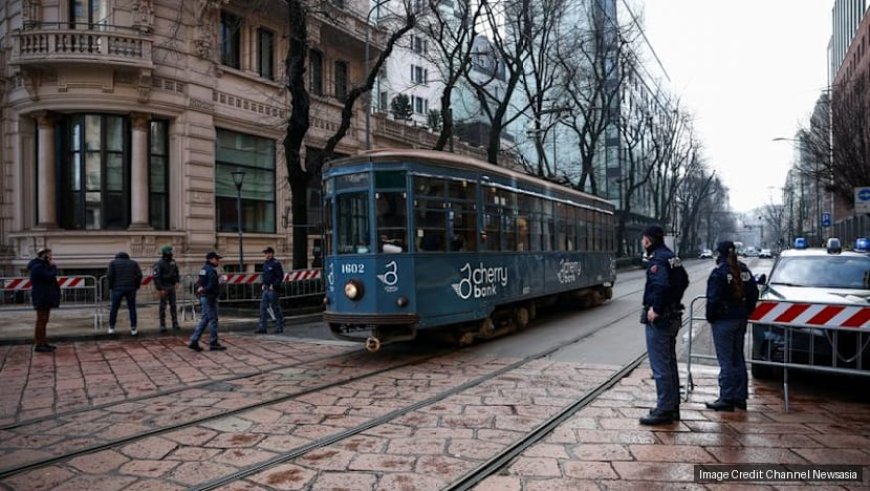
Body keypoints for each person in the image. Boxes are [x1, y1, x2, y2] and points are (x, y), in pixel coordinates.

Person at [639, 224, 689, 425]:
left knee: (660, 365)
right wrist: (674, 300)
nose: (642, 242)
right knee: (669, 362)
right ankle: (672, 405)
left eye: (643, 239)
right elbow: (683, 280)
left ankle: (664, 409)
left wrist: (657, 308)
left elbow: (661, 285)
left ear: (648, 240)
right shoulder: (671, 256)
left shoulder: (658, 259)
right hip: (672, 314)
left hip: (661, 318)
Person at [705, 240, 759, 412]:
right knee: (738, 358)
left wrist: (711, 317)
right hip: (740, 318)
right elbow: (754, 292)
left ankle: (726, 398)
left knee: (726, 360)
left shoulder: (719, 272)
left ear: (719, 254)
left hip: (724, 320)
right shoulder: (743, 269)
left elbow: (713, 299)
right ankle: (740, 397)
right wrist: (746, 310)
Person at [189, 251, 226, 351]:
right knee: (213, 320)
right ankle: (213, 342)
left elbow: (200, 282)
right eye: (216, 259)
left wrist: (202, 289)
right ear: (211, 259)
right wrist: (219, 282)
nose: (218, 261)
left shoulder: (203, 269)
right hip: (210, 298)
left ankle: (194, 340)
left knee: (204, 319)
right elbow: (211, 285)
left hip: (205, 297)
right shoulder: (211, 270)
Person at [28, 248, 60, 353]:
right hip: (41, 296)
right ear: (44, 255)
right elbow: (49, 276)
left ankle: (43, 342)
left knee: (44, 320)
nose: (51, 257)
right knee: (41, 320)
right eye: (49, 255)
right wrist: (54, 267)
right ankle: (39, 343)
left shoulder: (42, 266)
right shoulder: (37, 267)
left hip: (45, 296)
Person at [107, 251, 143, 336]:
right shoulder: (133, 263)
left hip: (117, 288)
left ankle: (111, 327)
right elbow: (139, 275)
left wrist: (111, 287)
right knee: (132, 308)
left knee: (114, 308)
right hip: (131, 288)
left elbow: (110, 276)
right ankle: (133, 328)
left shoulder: (113, 263)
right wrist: (136, 286)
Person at [255, 246, 285, 334]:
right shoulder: (265, 263)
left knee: (275, 308)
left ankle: (279, 326)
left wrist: (274, 285)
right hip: (266, 288)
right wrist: (263, 284)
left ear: (272, 253)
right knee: (263, 308)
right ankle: (262, 327)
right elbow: (265, 276)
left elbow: (280, 276)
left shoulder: (276, 263)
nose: (266, 255)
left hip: (273, 289)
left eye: (268, 253)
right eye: (265, 253)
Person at [153, 245, 181, 333]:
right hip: (164, 286)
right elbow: (156, 277)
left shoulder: (173, 262)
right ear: (165, 253)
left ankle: (175, 323)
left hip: (171, 286)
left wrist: (177, 281)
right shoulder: (159, 263)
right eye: (169, 252)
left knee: (173, 305)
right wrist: (160, 288)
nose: (171, 254)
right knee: (162, 306)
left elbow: (176, 272)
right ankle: (162, 324)